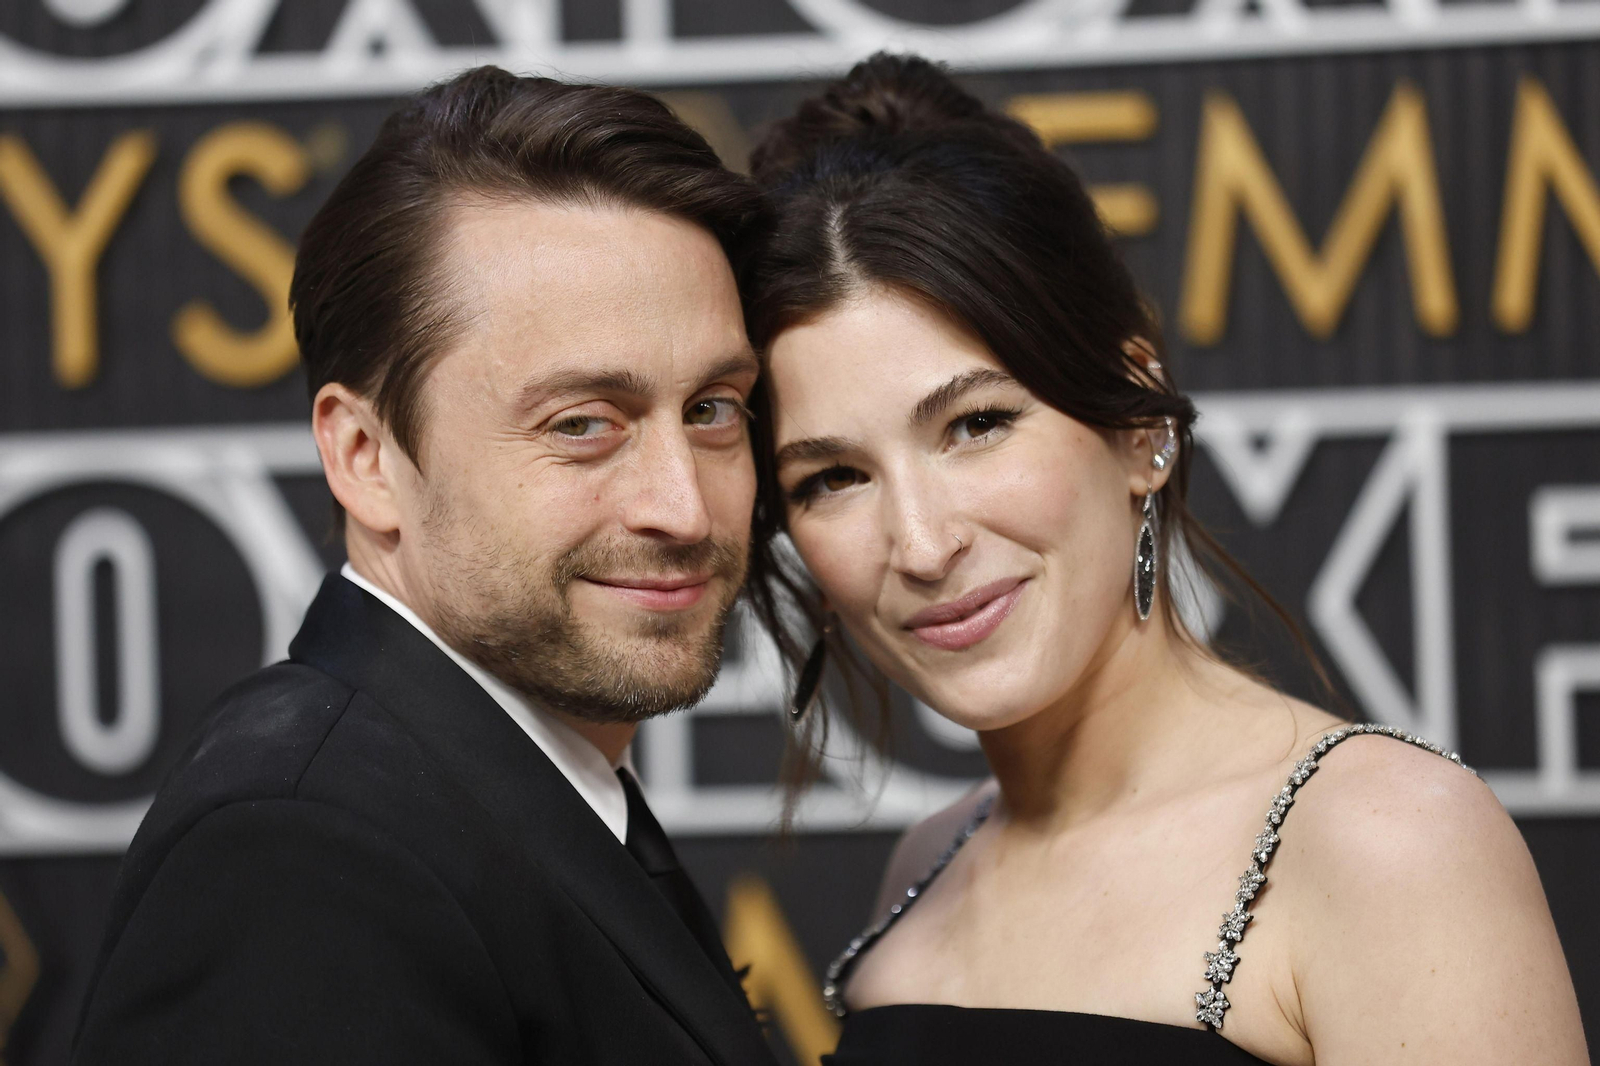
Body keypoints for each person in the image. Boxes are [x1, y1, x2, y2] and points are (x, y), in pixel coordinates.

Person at [741, 54, 1589, 1065]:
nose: (921, 545)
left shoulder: (1383, 841)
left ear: (1137, 419)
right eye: (831, 478)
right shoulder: (929, 861)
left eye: (976, 423)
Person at [73, 66, 777, 1066]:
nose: (683, 505)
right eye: (581, 424)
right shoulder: (303, 858)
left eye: (711, 409)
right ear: (365, 460)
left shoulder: (504, 781)